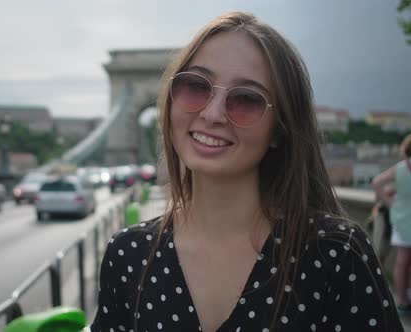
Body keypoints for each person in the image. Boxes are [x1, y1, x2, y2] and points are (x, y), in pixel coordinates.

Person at [91, 11, 403, 332]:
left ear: (281, 129)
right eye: (195, 86)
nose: (212, 114)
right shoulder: (127, 256)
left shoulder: (337, 255)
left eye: (245, 99)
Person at [373, 133, 411, 314]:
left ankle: (402, 300)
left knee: (402, 262)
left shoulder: (402, 168)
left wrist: (391, 204)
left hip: (402, 218)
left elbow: (377, 182)